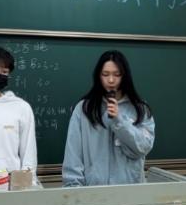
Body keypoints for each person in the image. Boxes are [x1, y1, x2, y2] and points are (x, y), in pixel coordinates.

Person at [62, 50, 155, 186]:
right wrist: (74, 190)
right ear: (98, 76)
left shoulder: (140, 109)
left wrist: (119, 121)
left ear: (125, 76)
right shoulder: (84, 109)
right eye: (105, 74)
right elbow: (73, 156)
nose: (111, 80)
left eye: (117, 75)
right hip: (94, 192)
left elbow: (143, 148)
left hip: (130, 191)